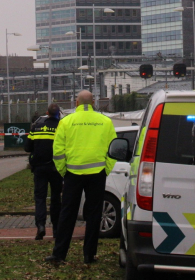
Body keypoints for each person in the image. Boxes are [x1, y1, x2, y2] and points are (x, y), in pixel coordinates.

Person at [45, 91, 117, 265]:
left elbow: (58, 151)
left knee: (67, 214)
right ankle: (89, 255)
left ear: (76, 103)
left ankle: (59, 254)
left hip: (73, 174)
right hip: (97, 173)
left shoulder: (66, 122)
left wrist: (64, 171)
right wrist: (105, 169)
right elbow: (114, 149)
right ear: (93, 102)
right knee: (94, 215)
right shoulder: (105, 122)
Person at [24, 103, 63, 240]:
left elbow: (27, 147)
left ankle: (40, 226)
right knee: (56, 198)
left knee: (40, 198)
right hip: (56, 168)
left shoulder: (37, 127)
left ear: (47, 113)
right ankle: (56, 229)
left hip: (39, 168)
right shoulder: (61, 127)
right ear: (59, 114)